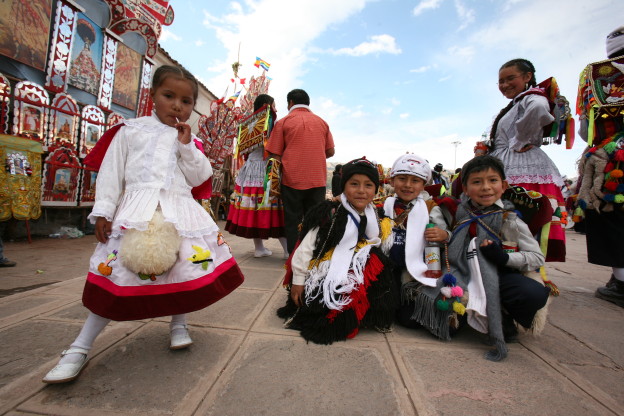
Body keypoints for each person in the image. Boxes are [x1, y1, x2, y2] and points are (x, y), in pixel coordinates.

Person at [42, 65, 245, 384]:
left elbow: (200, 176)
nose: (178, 105)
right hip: (137, 213)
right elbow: (111, 172)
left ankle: (179, 324)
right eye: (169, 96)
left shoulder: (190, 140)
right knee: (117, 276)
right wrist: (104, 212)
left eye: (187, 101)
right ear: (152, 96)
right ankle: (79, 348)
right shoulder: (130, 130)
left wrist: (187, 146)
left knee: (184, 271)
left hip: (181, 215)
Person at [410, 156, 550, 362]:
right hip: (459, 275)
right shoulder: (451, 211)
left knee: (533, 293)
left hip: (498, 277)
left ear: (503, 186)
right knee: (410, 318)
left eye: (492, 181)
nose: (486, 188)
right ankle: (465, 315)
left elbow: (536, 257)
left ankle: (502, 316)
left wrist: (503, 258)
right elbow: (438, 241)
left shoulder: (510, 219)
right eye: (477, 182)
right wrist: (445, 236)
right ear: (465, 188)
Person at [276, 157, 397, 344]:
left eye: (368, 185)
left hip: (355, 267)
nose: (361, 191)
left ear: (376, 189)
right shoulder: (330, 214)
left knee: (375, 262)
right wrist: (298, 281)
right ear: (343, 186)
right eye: (354, 184)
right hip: (326, 269)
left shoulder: (375, 215)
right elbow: (305, 248)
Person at [486, 58, 567, 262]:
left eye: (510, 78)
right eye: (501, 82)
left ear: (527, 77)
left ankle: (524, 263)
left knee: (519, 216)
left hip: (517, 164)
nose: (504, 85)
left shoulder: (532, 98)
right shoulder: (519, 102)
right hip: (506, 160)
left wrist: (519, 140)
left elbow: (539, 110)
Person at [577, 26, 624, 307]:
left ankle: (620, 280)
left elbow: (586, 129)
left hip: (612, 159)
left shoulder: (596, 74)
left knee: (612, 213)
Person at [380, 153, 451, 328]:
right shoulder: (384, 204)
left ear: (423, 184)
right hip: (386, 265)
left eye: (415, 181)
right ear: (392, 181)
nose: (408, 185)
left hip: (414, 269)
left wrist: (444, 235)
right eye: (402, 179)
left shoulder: (430, 208)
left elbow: (446, 233)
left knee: (408, 319)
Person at [266, 89, 335, 254]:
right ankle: (315, 253)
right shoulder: (322, 122)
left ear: (290, 103)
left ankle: (293, 255)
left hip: (291, 179)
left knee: (292, 220)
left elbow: (274, 154)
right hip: (317, 179)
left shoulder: (283, 122)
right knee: (318, 219)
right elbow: (330, 152)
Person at [225, 94, 288, 258]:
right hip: (265, 168)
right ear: (268, 106)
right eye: (274, 105)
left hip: (248, 171)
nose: (276, 109)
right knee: (274, 207)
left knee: (252, 207)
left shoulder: (246, 124)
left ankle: (259, 248)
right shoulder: (270, 122)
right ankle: (287, 250)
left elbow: (243, 149)